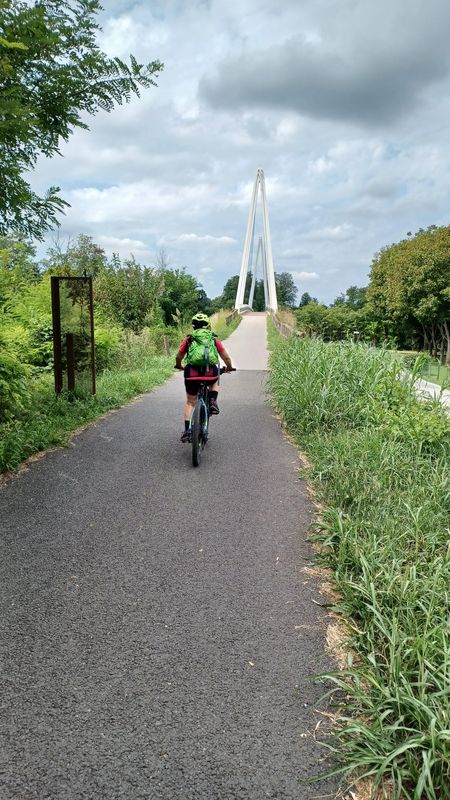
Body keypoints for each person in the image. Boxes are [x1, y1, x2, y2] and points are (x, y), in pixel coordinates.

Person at [175, 313, 233, 442]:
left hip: (191, 374)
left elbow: (179, 356)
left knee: (190, 402)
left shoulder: (189, 339)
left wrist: (179, 365)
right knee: (215, 380)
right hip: (210, 373)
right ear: (208, 326)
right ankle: (212, 401)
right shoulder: (213, 339)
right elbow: (226, 357)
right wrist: (228, 367)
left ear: (193, 326)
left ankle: (187, 430)